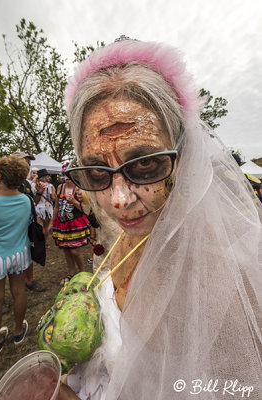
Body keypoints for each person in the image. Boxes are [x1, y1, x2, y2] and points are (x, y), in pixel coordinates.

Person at [57, 39, 262, 399]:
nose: (118, 201)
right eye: (96, 171)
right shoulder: (124, 240)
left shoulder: (228, 287)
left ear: (184, 157)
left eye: (146, 163)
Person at [0, 156, 31, 354]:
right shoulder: (25, 200)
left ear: (0, 175)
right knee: (19, 292)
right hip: (19, 254)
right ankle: (18, 331)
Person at [11, 152, 46, 292]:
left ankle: (29, 281)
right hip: (8, 229)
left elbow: (33, 204)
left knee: (28, 253)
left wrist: (39, 193)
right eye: (25, 162)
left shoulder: (26, 183)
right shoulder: (2, 183)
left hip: (26, 227)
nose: (28, 166)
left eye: (29, 164)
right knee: (4, 260)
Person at [51, 164, 90, 285]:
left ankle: (82, 273)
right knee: (66, 249)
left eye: (69, 175)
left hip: (74, 223)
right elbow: (56, 206)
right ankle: (71, 273)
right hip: (61, 223)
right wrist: (52, 222)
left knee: (75, 251)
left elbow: (86, 209)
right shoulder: (60, 188)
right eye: (65, 174)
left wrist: (74, 201)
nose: (67, 177)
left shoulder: (79, 188)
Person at [31, 168, 56, 242]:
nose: (48, 178)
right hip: (47, 208)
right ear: (44, 177)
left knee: (40, 226)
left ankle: (40, 241)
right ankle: (44, 242)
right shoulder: (50, 186)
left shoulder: (34, 185)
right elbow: (53, 197)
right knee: (46, 226)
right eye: (47, 176)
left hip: (38, 207)